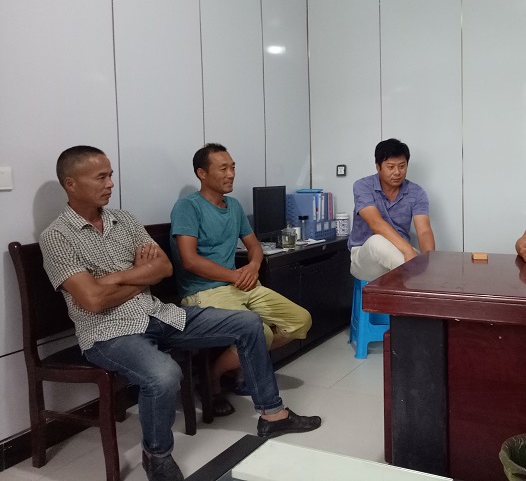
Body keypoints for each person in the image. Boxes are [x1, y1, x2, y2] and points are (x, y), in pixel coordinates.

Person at [39, 146, 320, 481]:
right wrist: (139, 276)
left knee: (248, 323)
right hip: (108, 332)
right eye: (101, 177)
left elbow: (165, 268)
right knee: (164, 375)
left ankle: (272, 415)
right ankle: (156, 455)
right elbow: (93, 300)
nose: (110, 183)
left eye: (110, 175)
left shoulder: (124, 220)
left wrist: (115, 279)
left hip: (158, 315)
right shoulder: (56, 236)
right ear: (71, 184)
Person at [169, 143, 311, 416]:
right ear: (202, 173)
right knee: (262, 332)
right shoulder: (187, 207)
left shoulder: (233, 206)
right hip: (204, 291)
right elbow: (190, 260)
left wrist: (253, 267)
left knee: (300, 321)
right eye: (223, 168)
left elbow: (254, 246)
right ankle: (211, 379)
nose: (231, 174)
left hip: (240, 285)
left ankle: (228, 367)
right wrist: (234, 274)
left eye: (232, 167)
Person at [348, 138, 435, 281]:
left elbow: (424, 231)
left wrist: (428, 260)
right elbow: (376, 223)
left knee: (423, 262)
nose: (397, 172)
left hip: (398, 253)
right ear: (378, 167)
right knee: (378, 241)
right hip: (365, 257)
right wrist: (408, 251)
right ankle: (423, 283)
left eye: (402, 166)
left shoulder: (416, 192)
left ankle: (422, 279)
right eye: (390, 167)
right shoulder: (363, 186)